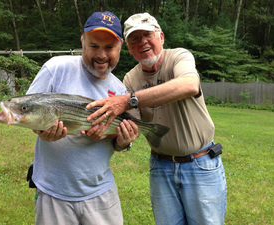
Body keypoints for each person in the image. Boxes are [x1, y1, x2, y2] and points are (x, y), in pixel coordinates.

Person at [86, 12, 227, 225]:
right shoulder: (131, 78)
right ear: (129, 48)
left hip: (200, 163)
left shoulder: (179, 56)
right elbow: (131, 126)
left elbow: (189, 84)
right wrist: (121, 139)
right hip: (160, 166)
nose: (142, 42)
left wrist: (129, 100)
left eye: (147, 34)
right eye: (134, 39)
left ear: (160, 37)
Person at [26, 11, 139, 225]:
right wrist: (42, 132)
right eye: (94, 46)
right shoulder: (56, 68)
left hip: (101, 192)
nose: (101, 55)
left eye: (109, 48)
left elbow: (118, 141)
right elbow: (30, 111)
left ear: (120, 47)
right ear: (82, 42)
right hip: (53, 191)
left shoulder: (119, 89)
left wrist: (124, 142)